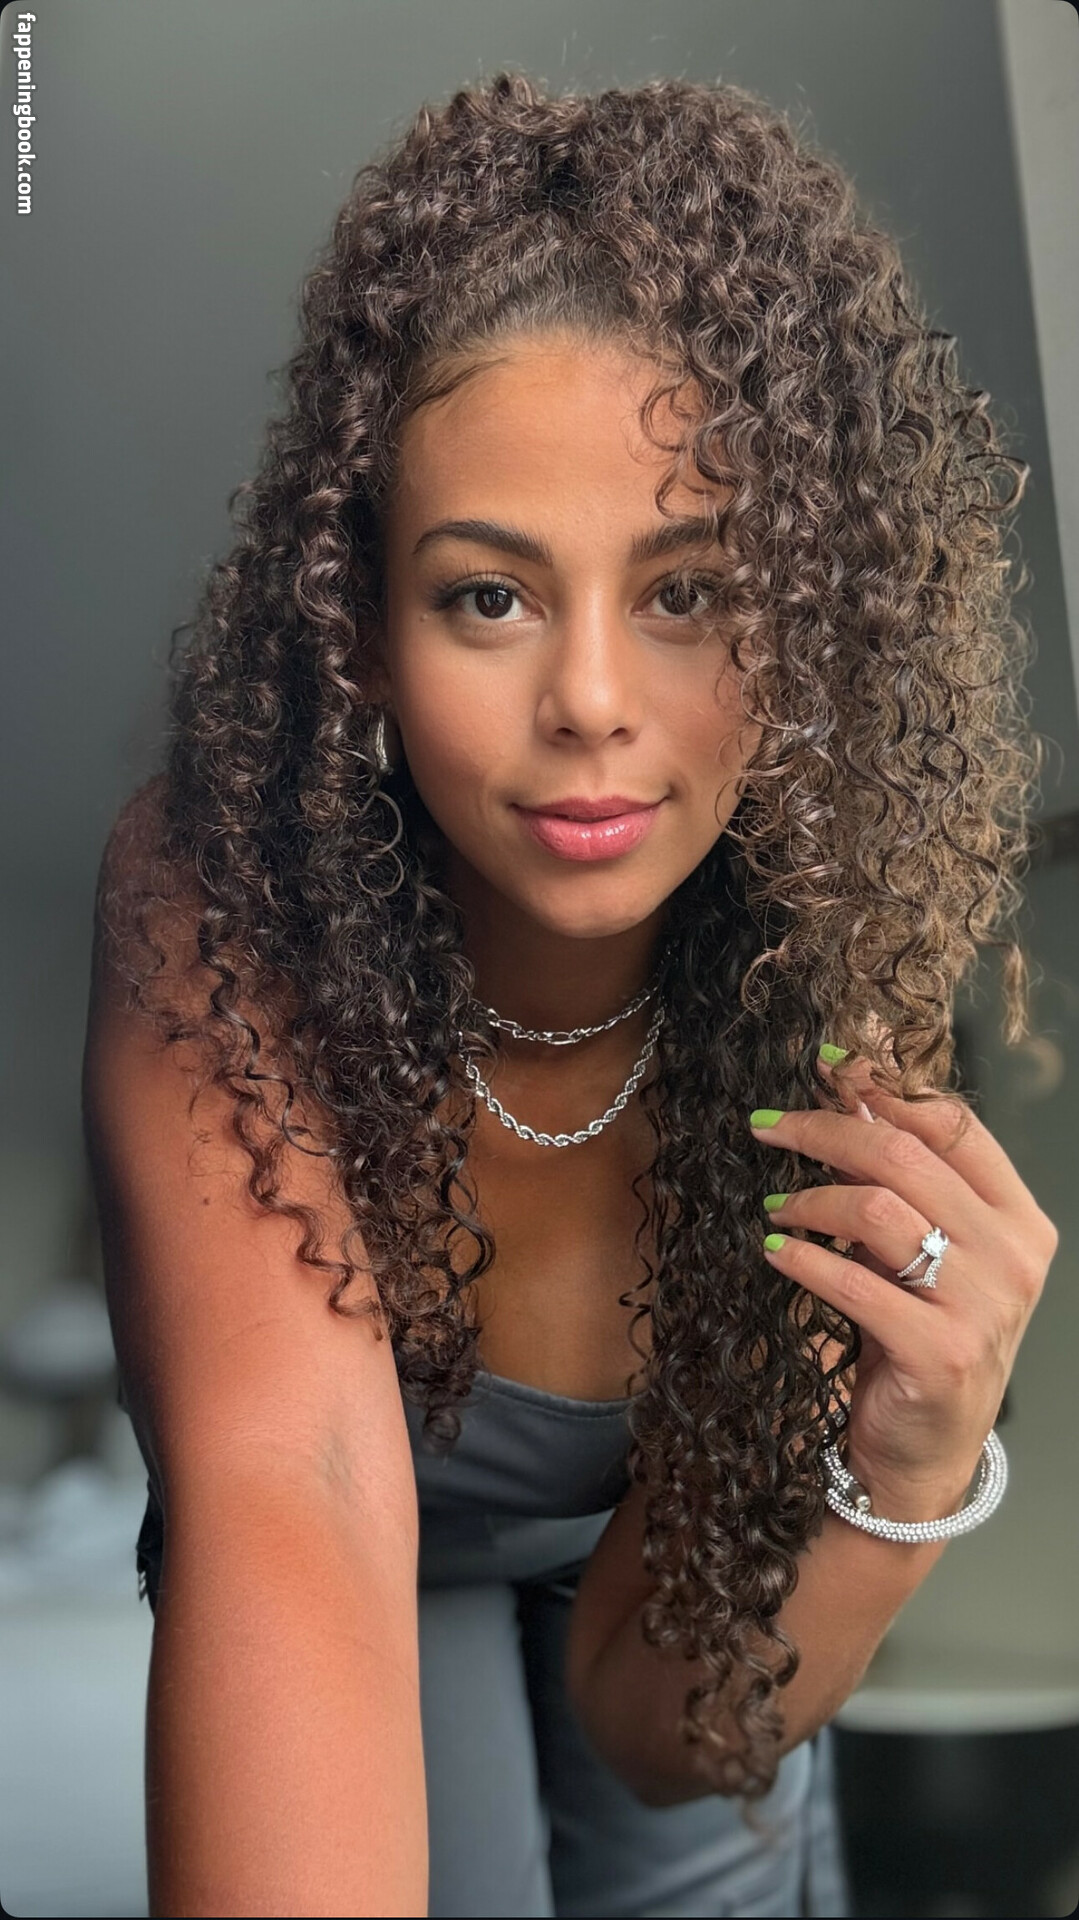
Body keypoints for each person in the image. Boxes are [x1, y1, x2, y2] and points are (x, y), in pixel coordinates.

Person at [81, 68, 1057, 1919]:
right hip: (381, 1577)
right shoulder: (228, 891)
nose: (593, 701)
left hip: (666, 1606)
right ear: (362, 627)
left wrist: (910, 1468)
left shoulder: (827, 953)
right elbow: (300, 1489)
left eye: (688, 593)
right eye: (490, 598)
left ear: (803, 624)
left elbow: (657, 1728)